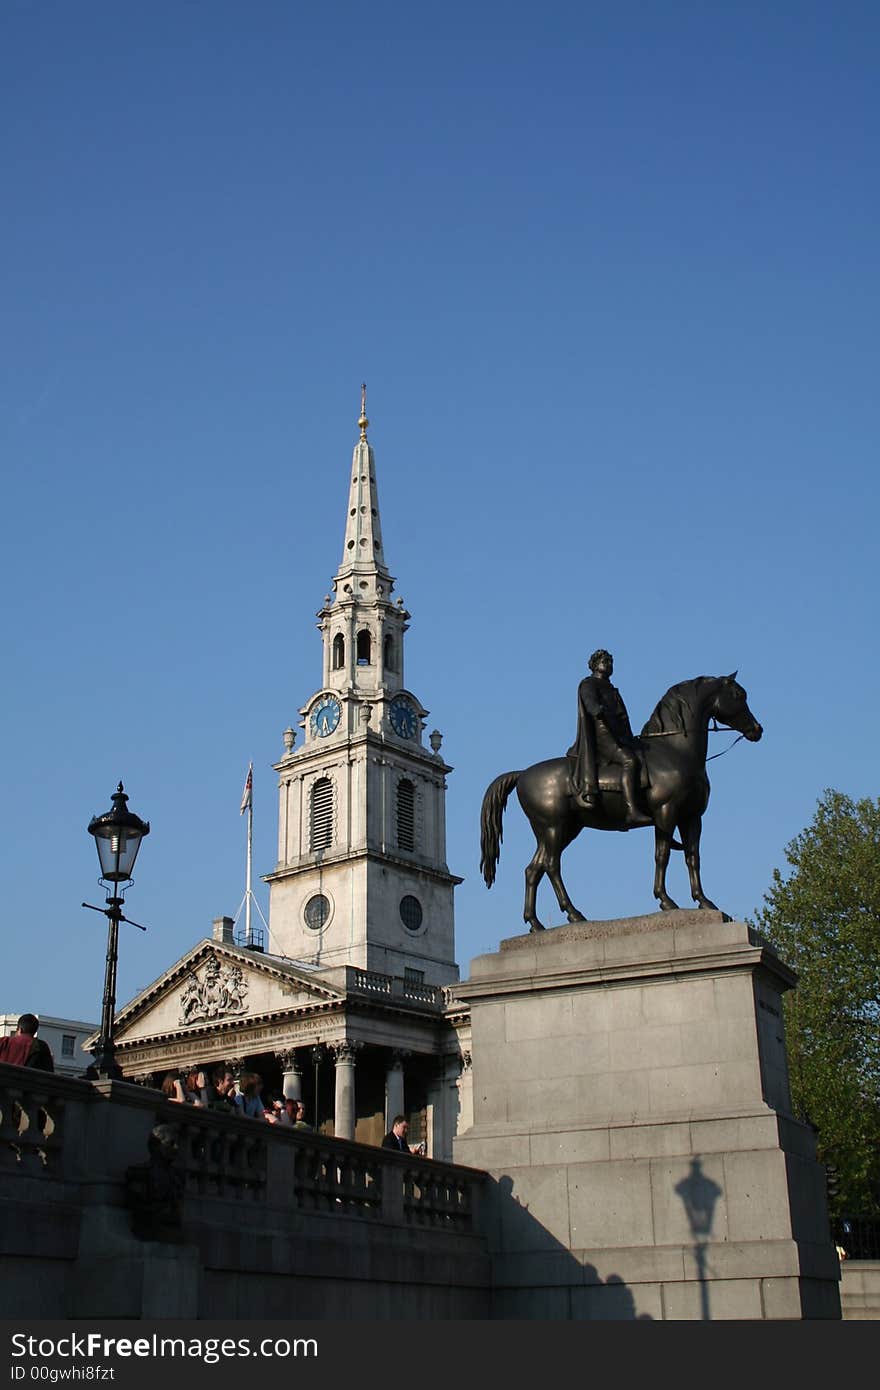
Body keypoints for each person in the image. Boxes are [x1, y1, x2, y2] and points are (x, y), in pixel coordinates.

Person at [568, 649, 653, 827]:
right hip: (603, 738)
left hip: (619, 736)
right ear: (594, 664)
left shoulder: (611, 688)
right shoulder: (589, 684)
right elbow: (590, 704)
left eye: (610, 662)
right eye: (604, 661)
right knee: (629, 761)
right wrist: (597, 709)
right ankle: (632, 811)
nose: (608, 664)